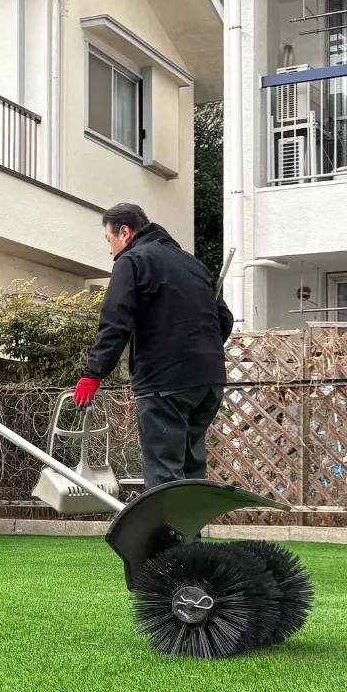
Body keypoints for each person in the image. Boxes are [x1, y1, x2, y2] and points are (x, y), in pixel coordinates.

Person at [70, 203, 234, 489]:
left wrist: (92, 374)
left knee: (164, 472)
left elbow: (115, 323)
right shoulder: (193, 264)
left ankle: (165, 535)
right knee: (191, 467)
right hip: (208, 383)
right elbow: (224, 319)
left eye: (109, 241)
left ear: (124, 232)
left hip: (163, 383)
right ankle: (189, 535)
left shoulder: (131, 261)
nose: (110, 250)